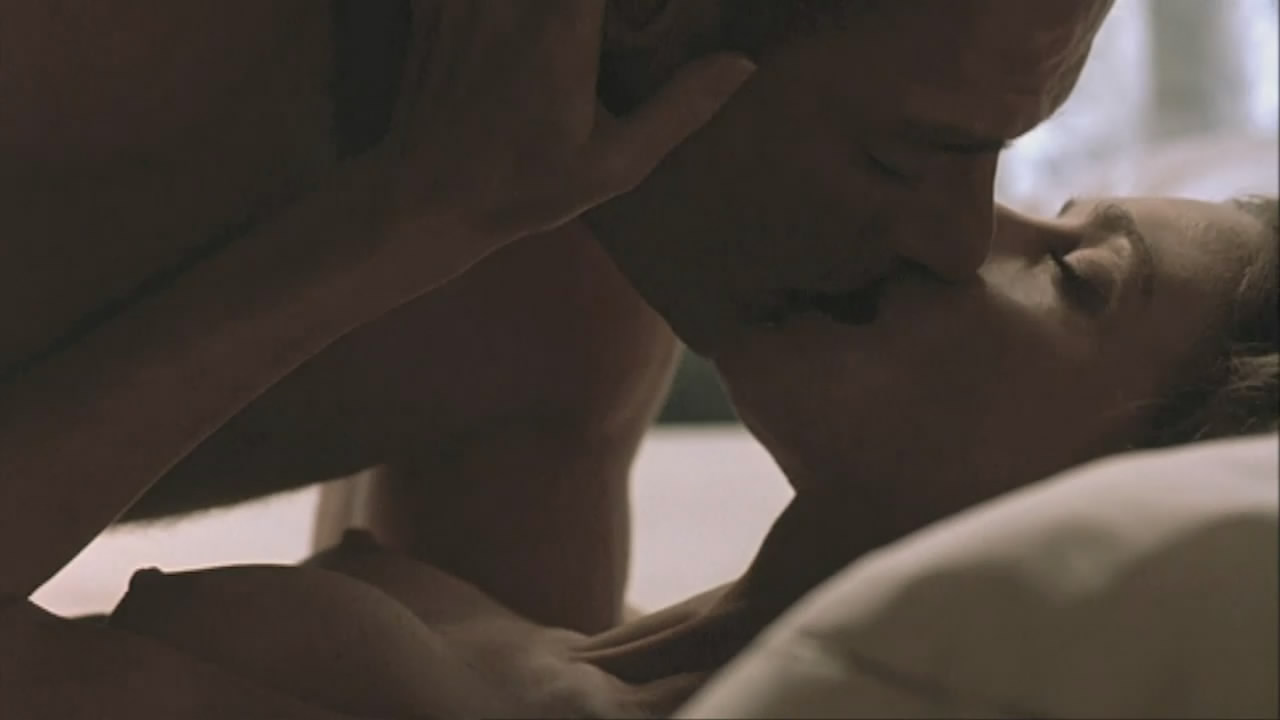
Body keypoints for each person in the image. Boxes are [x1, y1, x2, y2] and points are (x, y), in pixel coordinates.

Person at [0, 2, 1113, 717]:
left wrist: (413, 220)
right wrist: (397, 219)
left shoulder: (563, 310)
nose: (960, 240)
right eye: (902, 155)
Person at [36, 193, 1276, 720]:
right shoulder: (569, 643)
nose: (963, 224)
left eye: (1071, 276)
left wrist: (394, 214)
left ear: (1126, 498)